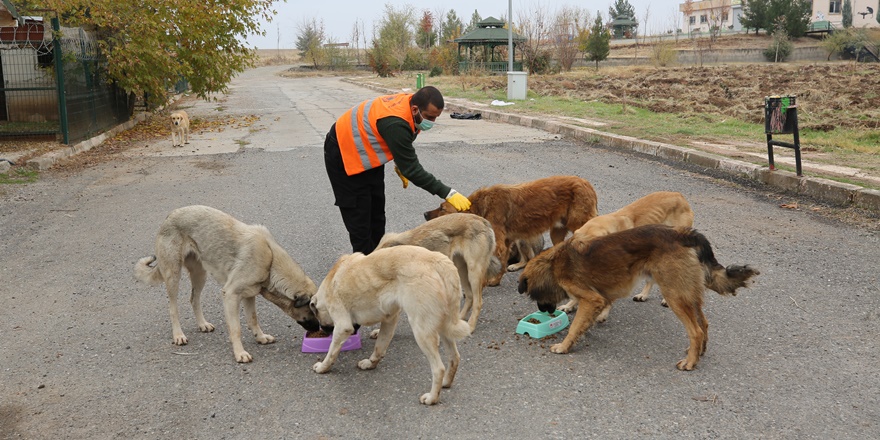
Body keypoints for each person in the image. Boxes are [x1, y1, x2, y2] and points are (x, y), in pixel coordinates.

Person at [324, 86, 471, 254]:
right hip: (344, 152)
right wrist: (448, 193)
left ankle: (378, 256)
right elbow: (413, 170)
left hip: (367, 152)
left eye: (436, 117)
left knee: (377, 212)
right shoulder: (396, 122)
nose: (432, 122)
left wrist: (400, 160)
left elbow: (402, 142)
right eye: (430, 117)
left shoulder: (412, 107)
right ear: (416, 109)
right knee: (360, 217)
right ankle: (363, 267)